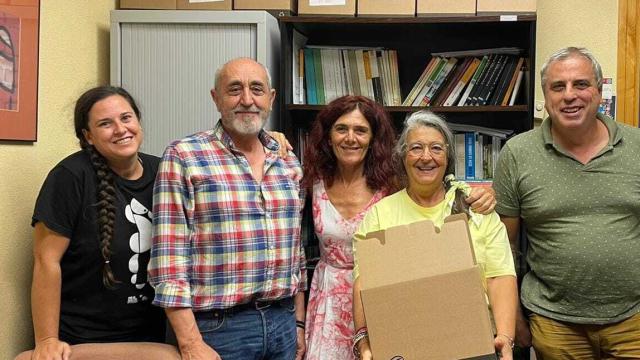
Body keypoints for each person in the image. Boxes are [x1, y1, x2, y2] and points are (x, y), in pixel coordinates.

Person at [301, 96, 498, 359]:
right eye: (341, 129)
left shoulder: (392, 185)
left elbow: (439, 191)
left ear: (373, 139)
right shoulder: (312, 182)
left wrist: (484, 194)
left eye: (360, 130)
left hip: (388, 298)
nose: (351, 138)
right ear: (328, 136)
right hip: (327, 301)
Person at [148, 57, 306, 360]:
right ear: (216, 98)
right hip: (218, 329)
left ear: (271, 99)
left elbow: (295, 252)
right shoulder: (185, 156)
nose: (247, 100)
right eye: (234, 89)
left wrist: (297, 323)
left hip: (282, 321)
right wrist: (190, 342)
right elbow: (169, 260)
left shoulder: (287, 161)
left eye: (256, 89)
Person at [493, 46, 640, 359]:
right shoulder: (517, 154)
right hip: (554, 323)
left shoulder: (637, 147)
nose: (569, 95)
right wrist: (513, 316)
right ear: (546, 98)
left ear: (600, 93)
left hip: (634, 320)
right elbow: (502, 246)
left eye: (581, 84)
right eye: (558, 87)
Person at [16, 86, 180, 360]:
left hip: (147, 337)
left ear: (138, 121)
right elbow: (46, 261)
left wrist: (261, 143)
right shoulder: (70, 177)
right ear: (88, 136)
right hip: (80, 340)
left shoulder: (165, 171)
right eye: (106, 123)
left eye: (126, 118)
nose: (120, 129)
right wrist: (46, 340)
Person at [352, 110, 518, 360]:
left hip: (473, 344)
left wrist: (505, 337)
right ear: (403, 157)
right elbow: (364, 283)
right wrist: (363, 340)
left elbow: (499, 276)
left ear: (448, 157)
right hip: (402, 347)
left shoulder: (476, 209)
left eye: (437, 148)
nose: (426, 157)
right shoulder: (379, 215)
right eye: (416, 148)